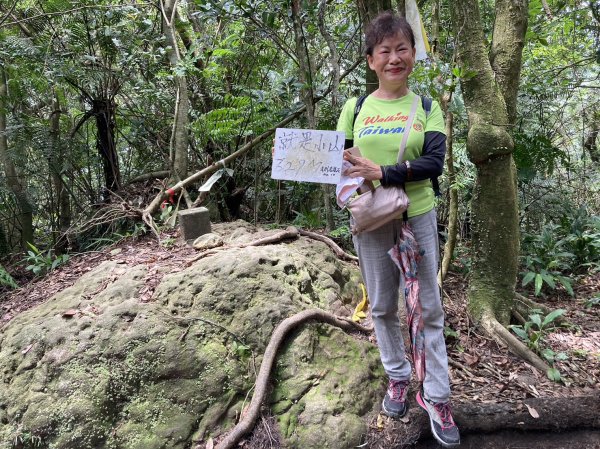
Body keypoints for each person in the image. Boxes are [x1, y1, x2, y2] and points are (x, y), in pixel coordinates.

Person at [337, 12, 460, 448]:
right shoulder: (355, 109)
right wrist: (349, 181)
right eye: (384, 51)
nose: (394, 58)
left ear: (412, 56)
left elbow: (433, 163)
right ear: (370, 60)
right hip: (371, 220)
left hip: (418, 216)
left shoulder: (426, 108)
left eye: (401, 49)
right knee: (383, 306)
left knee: (428, 308)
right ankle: (398, 378)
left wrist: (383, 170)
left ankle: (438, 397)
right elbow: (340, 165)